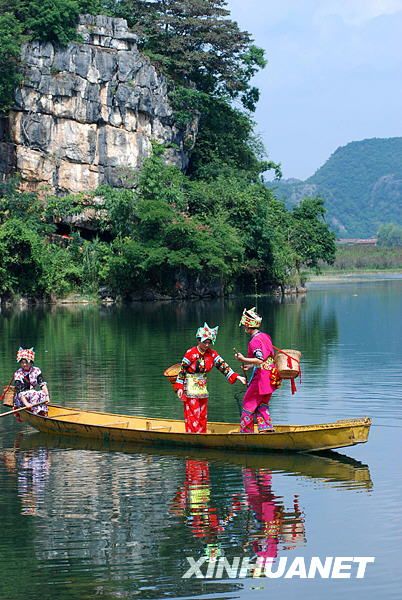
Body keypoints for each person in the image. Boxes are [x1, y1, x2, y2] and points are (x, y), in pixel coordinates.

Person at [174, 323, 246, 433]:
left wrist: (236, 376)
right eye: (205, 342)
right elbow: (182, 370)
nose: (207, 345)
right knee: (193, 413)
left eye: (209, 342)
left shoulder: (212, 354)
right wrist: (179, 387)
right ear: (199, 341)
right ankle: (193, 434)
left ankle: (202, 433)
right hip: (190, 387)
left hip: (202, 387)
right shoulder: (191, 353)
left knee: (203, 413)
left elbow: (223, 365)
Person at [235, 307, 281, 433]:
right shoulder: (265, 336)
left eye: (245, 325)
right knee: (262, 403)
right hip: (271, 376)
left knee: (248, 402)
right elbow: (267, 358)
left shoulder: (254, 341)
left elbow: (260, 360)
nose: (244, 328)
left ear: (248, 326)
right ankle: (266, 429)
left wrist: (243, 359)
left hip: (261, 378)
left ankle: (246, 431)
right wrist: (250, 366)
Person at [13, 347, 50, 416]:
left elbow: (43, 385)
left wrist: (47, 397)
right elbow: (19, 391)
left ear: (31, 362)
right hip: (21, 397)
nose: (24, 364)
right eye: (22, 362)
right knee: (34, 393)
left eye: (26, 362)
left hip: (32, 396)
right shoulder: (18, 373)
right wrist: (26, 403)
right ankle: (35, 412)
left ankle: (41, 411)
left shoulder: (36, 370)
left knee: (41, 393)